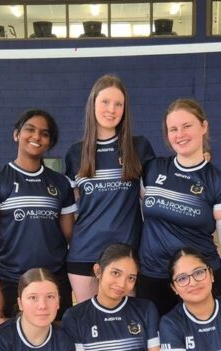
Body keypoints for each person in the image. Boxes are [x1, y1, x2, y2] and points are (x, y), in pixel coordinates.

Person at [137, 98, 221, 316]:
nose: (180, 134)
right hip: (152, 277)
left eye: (187, 126)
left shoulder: (219, 183)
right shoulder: (153, 169)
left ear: (204, 126)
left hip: (197, 280)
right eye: (173, 129)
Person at [0, 110, 76, 322]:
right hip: (11, 281)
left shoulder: (60, 183)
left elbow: (71, 236)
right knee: (12, 340)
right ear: (16, 134)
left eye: (44, 133)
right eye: (30, 129)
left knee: (58, 339)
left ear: (49, 143)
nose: (36, 136)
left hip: (55, 281)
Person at [64, 75, 155, 303]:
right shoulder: (76, 153)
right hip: (84, 253)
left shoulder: (138, 147)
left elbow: (154, 194)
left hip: (126, 256)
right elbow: (72, 206)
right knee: (89, 320)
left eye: (118, 104)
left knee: (125, 321)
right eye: (105, 102)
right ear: (93, 104)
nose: (111, 109)